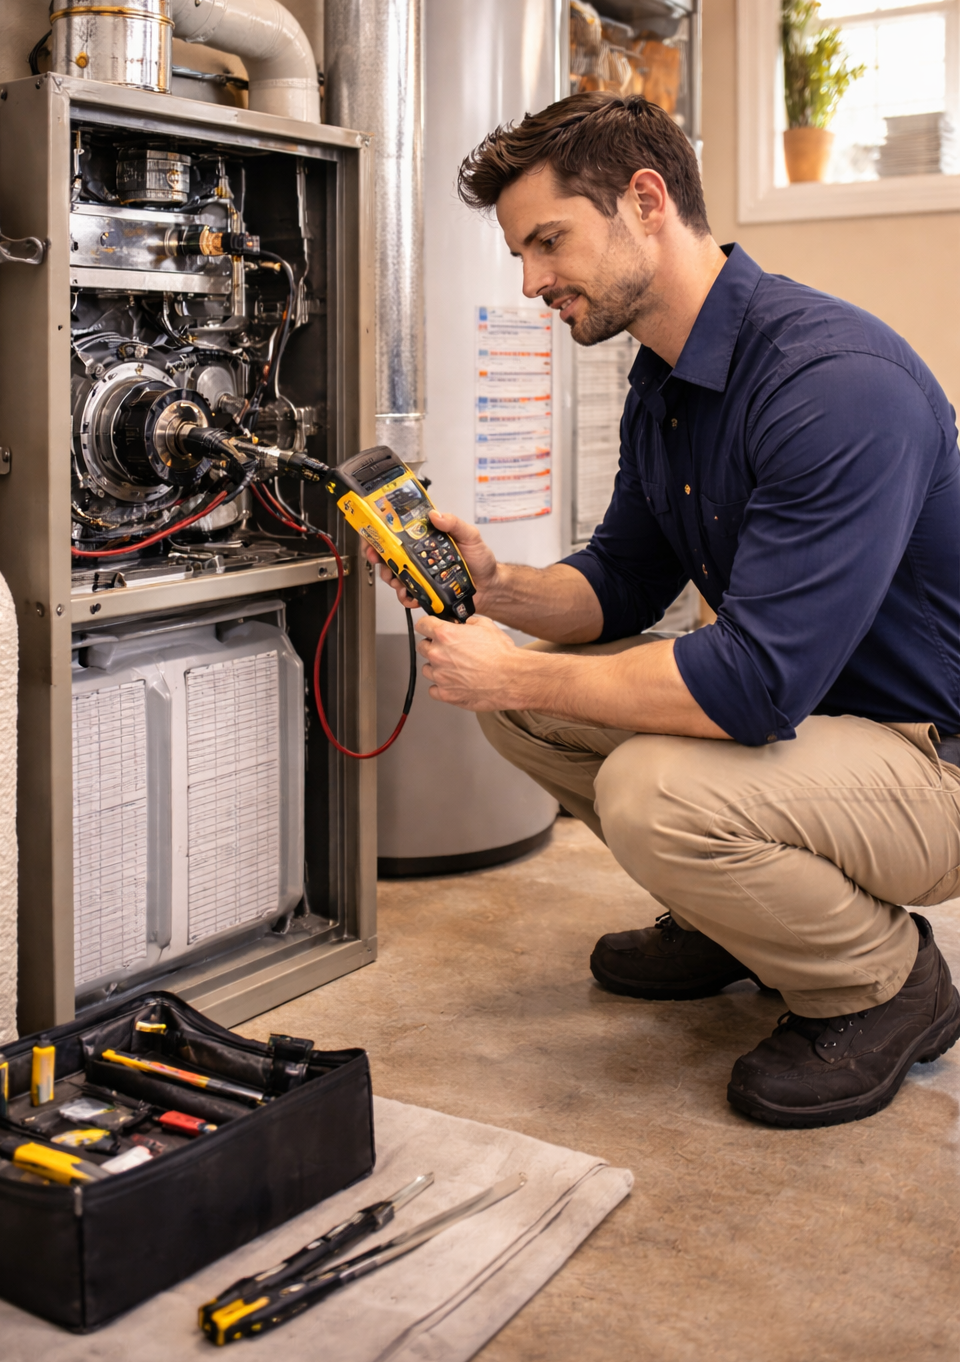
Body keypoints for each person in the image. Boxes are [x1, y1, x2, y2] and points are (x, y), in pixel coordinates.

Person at [370, 92, 960, 1130]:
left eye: (548, 242)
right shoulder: (668, 381)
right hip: (821, 735)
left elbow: (750, 686)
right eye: (519, 254)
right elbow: (618, 586)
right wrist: (495, 585)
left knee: (654, 784)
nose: (531, 282)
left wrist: (513, 667)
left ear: (646, 201)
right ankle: (741, 922)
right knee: (526, 706)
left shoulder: (831, 384)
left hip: (930, 762)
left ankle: (883, 982)